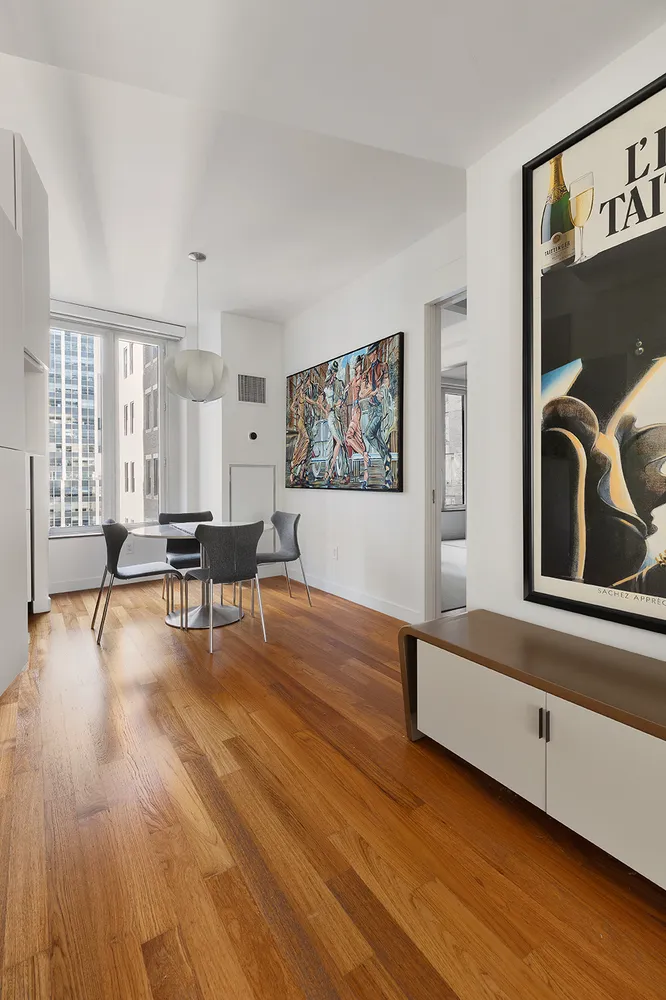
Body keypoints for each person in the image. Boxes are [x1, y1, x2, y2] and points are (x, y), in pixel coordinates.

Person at [360, 343, 394, 488]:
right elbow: (363, 392)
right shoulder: (367, 372)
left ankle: (386, 458)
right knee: (376, 436)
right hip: (373, 407)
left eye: (372, 353)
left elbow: (387, 385)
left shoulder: (383, 366)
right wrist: (371, 392)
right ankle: (387, 465)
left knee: (369, 433)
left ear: (376, 353)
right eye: (370, 354)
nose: (371, 356)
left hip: (381, 407)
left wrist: (376, 393)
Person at [322, 360, 350, 484]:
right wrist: (325, 409)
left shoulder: (340, 383)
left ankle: (342, 473)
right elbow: (322, 401)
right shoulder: (326, 386)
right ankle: (330, 471)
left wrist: (338, 402)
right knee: (337, 442)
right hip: (331, 417)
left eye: (334, 372)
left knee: (338, 443)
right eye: (331, 372)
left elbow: (342, 400)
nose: (333, 374)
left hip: (337, 417)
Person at [345, 355, 371, 488]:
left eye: (359, 366)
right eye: (356, 367)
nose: (357, 368)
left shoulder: (363, 378)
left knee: (349, 437)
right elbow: (350, 385)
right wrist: (346, 387)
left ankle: (363, 455)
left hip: (358, 409)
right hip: (354, 410)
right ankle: (366, 476)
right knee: (359, 441)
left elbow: (367, 390)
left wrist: (363, 395)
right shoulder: (354, 379)